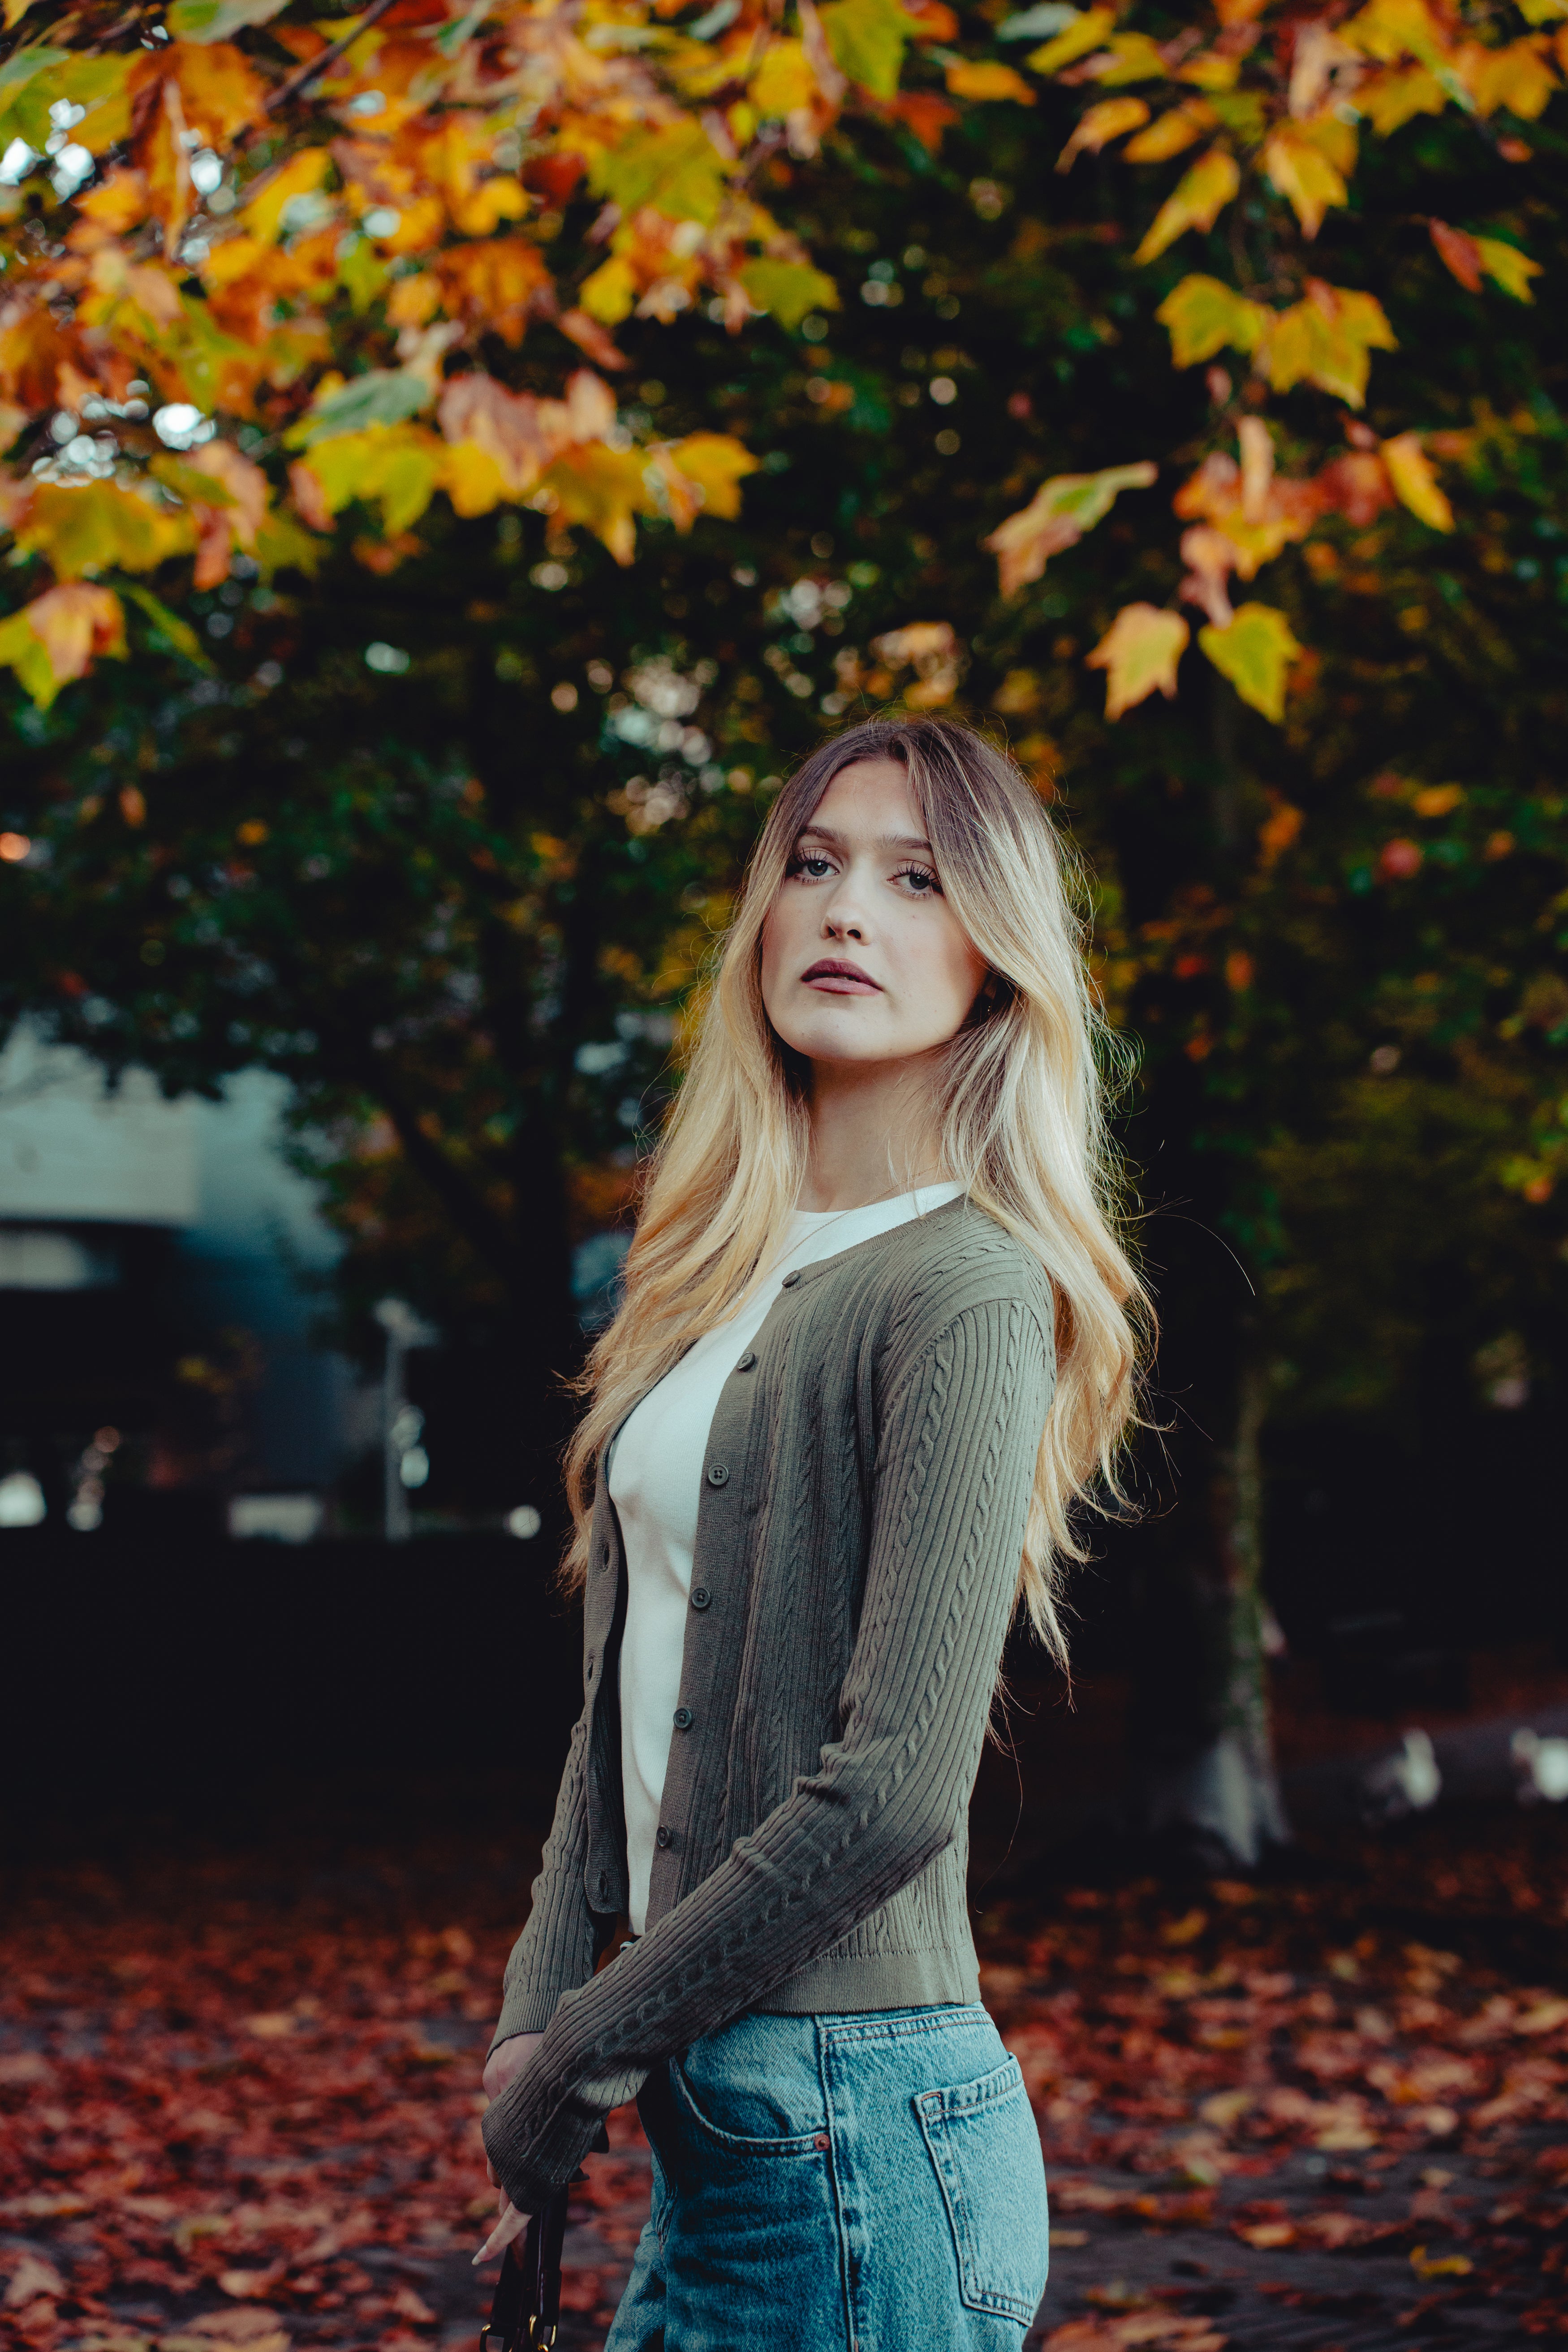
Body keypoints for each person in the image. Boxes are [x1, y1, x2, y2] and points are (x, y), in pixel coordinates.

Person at [475, 715, 1146, 2349]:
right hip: (725, 2127)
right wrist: (531, 2032)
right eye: (815, 863)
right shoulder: (706, 1285)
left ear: (995, 963)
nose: (848, 910)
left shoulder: (966, 1284)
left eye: (917, 879)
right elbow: (620, 1710)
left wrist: (578, 2055)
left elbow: (894, 1788)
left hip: (858, 2136)